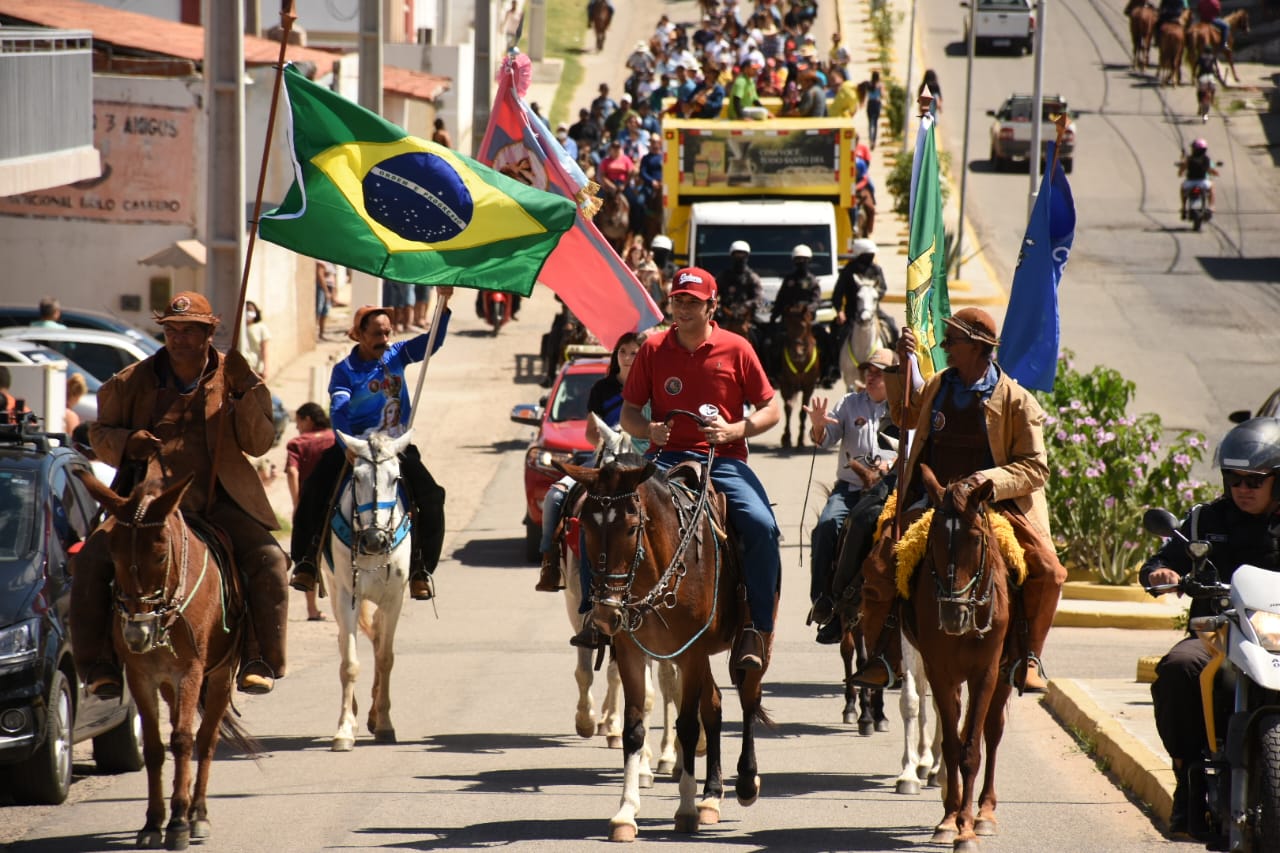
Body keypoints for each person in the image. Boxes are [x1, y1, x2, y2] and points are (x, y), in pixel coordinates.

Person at [72, 291, 288, 697]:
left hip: (220, 499)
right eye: (172, 330)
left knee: (271, 560)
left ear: (209, 333)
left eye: (190, 331)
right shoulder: (132, 380)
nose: (180, 338)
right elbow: (98, 435)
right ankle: (100, 662)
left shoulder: (234, 376)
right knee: (92, 559)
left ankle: (260, 658)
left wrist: (244, 392)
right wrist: (127, 441)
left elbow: (259, 443)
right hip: (148, 507)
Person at [850, 307, 1067, 693]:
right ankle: (884, 655)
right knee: (880, 564)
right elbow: (902, 414)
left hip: (991, 507)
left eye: (954, 341)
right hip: (932, 501)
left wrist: (985, 480)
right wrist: (902, 364)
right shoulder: (938, 385)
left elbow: (1035, 468)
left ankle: (1028, 657)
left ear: (980, 348)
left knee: (1050, 572)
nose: (946, 346)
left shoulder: (1017, 401)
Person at [618, 267, 783, 671]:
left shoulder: (737, 348)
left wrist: (736, 429)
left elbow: (771, 408)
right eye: (678, 300)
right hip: (666, 461)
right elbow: (628, 413)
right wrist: (650, 430)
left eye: (693, 302)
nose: (684, 308)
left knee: (762, 527)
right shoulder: (653, 350)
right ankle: (601, 614)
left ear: (713, 306)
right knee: (608, 514)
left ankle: (756, 628)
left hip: (723, 461)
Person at [1139, 417, 1280, 836]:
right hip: (1216, 636)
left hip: (1275, 635)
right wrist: (1160, 573)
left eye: (1255, 480)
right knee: (1179, 668)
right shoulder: (1204, 521)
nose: (1244, 488)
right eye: (1235, 479)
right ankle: (1187, 783)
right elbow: (1161, 560)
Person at [289, 295, 454, 603]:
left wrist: (442, 310)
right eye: (377, 334)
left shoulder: (397, 354)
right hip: (354, 445)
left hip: (395, 446)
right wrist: (347, 444)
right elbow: (338, 409)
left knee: (432, 496)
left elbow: (433, 342)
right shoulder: (344, 370)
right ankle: (306, 562)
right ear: (360, 335)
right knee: (313, 492)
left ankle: (421, 570)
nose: (384, 339)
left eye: (388, 332)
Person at [537, 333, 645, 596]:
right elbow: (589, 434)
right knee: (555, 496)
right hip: (603, 456)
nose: (628, 358)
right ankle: (549, 561)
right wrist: (604, 438)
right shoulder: (601, 389)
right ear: (615, 355)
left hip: (641, 459)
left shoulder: (650, 386)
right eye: (623, 352)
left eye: (634, 353)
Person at [803, 348, 898, 644]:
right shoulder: (849, 403)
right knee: (826, 526)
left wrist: (891, 464)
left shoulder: (904, 408)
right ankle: (825, 602)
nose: (871, 376)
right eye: (868, 370)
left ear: (894, 377)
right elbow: (823, 439)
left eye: (879, 371)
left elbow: (915, 444)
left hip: (888, 490)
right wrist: (818, 425)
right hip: (849, 490)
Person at [285, 402, 336, 622]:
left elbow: (292, 472)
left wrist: (297, 502)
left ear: (308, 420)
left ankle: (312, 608)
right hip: (336, 501)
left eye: (298, 422)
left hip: (311, 506)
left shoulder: (298, 444)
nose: (297, 427)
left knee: (306, 555)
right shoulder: (336, 438)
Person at [830, 239, 897, 383]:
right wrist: (839, 311)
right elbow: (837, 294)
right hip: (851, 313)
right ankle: (834, 366)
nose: (871, 257)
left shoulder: (876, 270)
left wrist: (873, 295)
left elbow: (883, 288)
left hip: (873, 311)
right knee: (835, 332)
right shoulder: (849, 270)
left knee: (892, 326)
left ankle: (895, 363)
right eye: (868, 254)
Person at [715, 240, 764, 327]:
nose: (740, 257)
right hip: (725, 315)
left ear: (747, 256)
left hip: (746, 316)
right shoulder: (723, 276)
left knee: (762, 333)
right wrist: (719, 306)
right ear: (732, 256)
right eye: (737, 255)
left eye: (742, 255)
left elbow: (758, 297)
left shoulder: (752, 277)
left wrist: (746, 306)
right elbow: (714, 293)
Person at [1178, 138, 1218, 219]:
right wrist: (1215, 172)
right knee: (1212, 187)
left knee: (1182, 188)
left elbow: (1182, 169)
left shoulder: (1189, 158)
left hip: (1190, 182)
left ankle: (1183, 207)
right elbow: (1209, 170)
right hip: (1203, 183)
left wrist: (1180, 172)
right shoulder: (1206, 159)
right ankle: (1211, 206)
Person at [240, 300, 270, 381]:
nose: (248, 312)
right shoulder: (240, 329)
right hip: (242, 368)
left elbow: (265, 349)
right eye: (246, 310)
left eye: (250, 310)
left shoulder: (261, 328)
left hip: (256, 369)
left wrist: (265, 368)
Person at [315, 260, 338, 340]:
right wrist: (326, 291)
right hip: (322, 288)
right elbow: (320, 275)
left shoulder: (331, 263)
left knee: (325, 311)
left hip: (329, 287)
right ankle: (314, 333)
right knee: (318, 310)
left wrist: (334, 292)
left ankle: (321, 334)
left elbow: (333, 278)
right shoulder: (320, 261)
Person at [864, 70, 883, 148]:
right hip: (876, 104)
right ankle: (874, 141)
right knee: (875, 123)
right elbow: (882, 94)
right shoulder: (879, 85)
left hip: (870, 103)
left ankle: (870, 140)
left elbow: (866, 93)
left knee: (870, 123)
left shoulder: (869, 84)